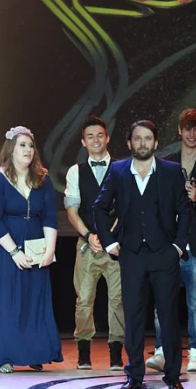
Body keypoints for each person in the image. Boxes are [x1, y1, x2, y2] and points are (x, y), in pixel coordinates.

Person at [94, 120, 191, 389]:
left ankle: (173, 375)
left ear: (156, 142)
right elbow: (99, 209)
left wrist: (178, 247)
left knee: (169, 317)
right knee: (134, 318)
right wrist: (109, 242)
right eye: (138, 138)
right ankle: (134, 376)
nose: (143, 143)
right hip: (132, 255)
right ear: (129, 143)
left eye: (148, 138)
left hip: (164, 254)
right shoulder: (118, 170)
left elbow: (185, 211)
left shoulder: (172, 172)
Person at [0, 126, 63, 373]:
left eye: (31, 145)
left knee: (31, 300)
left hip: (34, 244)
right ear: (11, 149)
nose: (28, 150)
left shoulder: (42, 179)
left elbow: (50, 219)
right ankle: (3, 355)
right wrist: (14, 252)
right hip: (1, 249)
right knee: (3, 302)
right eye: (22, 145)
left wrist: (49, 250)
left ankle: (33, 352)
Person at [148, 108, 196, 373]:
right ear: (179, 131)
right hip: (169, 246)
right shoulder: (166, 163)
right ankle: (161, 351)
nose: (191, 134)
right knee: (162, 302)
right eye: (187, 129)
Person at [64, 115, 125, 370]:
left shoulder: (123, 168)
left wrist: (109, 238)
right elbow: (72, 209)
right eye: (90, 136)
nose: (96, 140)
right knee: (84, 299)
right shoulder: (75, 171)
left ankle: (115, 353)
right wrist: (90, 236)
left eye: (100, 135)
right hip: (87, 245)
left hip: (117, 246)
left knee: (118, 300)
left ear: (107, 137)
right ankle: (84, 352)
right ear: (83, 141)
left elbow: (127, 208)